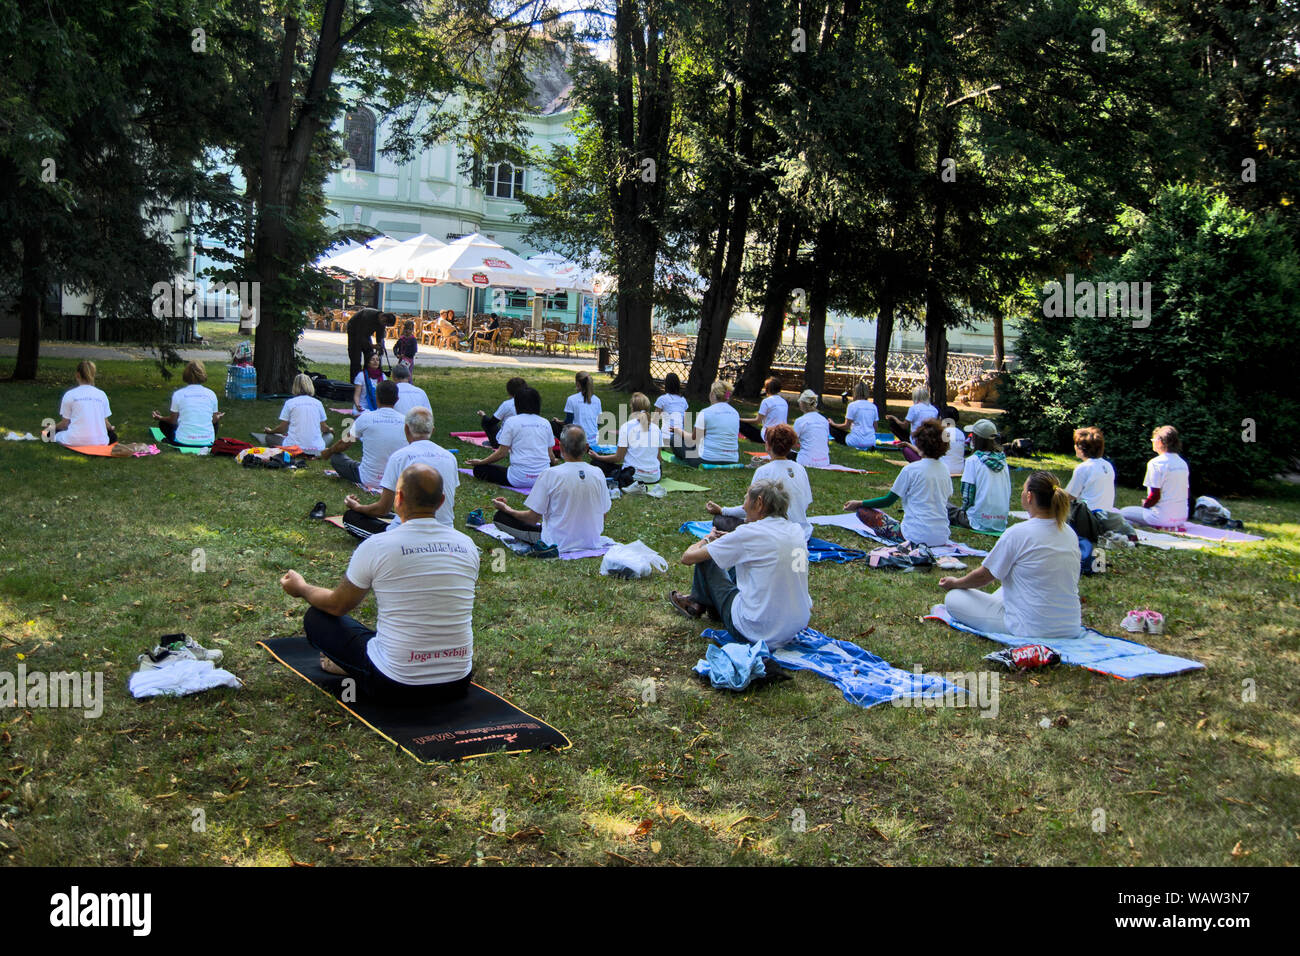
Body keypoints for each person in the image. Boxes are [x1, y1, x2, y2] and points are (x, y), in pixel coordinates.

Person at [280, 463, 479, 702]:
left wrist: (301, 588)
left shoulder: (378, 546)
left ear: (399, 498)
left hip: (394, 684)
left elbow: (337, 606)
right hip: (457, 683)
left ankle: (351, 666)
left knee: (318, 618)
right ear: (441, 501)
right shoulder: (467, 545)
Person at [669, 478, 812, 649]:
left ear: (759, 503)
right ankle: (709, 604)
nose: (743, 507)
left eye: (745, 499)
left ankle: (696, 602)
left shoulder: (749, 533)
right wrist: (729, 541)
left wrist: (707, 540)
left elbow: (688, 557)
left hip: (755, 630)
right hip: (793, 626)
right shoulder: (796, 530)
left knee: (709, 557)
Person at [939, 471, 1081, 639]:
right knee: (1005, 587)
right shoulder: (1069, 533)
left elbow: (984, 576)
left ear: (1029, 496)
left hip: (1030, 628)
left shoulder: (1018, 533)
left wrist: (956, 583)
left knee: (954, 598)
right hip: (1070, 627)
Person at [491, 425, 610, 554]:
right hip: (591, 540)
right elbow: (603, 514)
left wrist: (506, 509)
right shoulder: (598, 473)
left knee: (500, 517)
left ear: (562, 448)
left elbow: (531, 518)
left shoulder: (550, 474)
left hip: (557, 541)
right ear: (586, 448)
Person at [344, 407, 459, 528]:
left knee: (351, 517)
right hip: (444, 529)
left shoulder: (399, 457)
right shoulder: (450, 457)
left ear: (406, 429)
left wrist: (357, 507)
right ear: (432, 430)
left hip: (406, 532)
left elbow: (383, 509)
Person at [843, 419, 951, 547]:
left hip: (914, 536)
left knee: (863, 512)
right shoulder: (944, 469)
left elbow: (888, 500)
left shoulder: (911, 469)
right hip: (941, 536)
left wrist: (859, 503)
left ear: (919, 444)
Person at [705, 424, 812, 540]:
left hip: (774, 533)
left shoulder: (763, 471)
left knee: (720, 520)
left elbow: (750, 508)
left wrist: (722, 510)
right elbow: (806, 502)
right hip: (801, 531)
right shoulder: (800, 469)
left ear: (768, 445)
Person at [466, 386, 555, 489]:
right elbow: (550, 455)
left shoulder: (512, 422)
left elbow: (501, 453)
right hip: (542, 480)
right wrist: (554, 463)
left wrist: (481, 462)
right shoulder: (545, 423)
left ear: (517, 404)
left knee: (479, 469)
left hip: (517, 479)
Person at [325, 380, 407, 489]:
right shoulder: (407, 421)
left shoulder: (365, 418)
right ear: (397, 400)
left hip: (368, 478)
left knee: (336, 457)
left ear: (376, 397)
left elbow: (344, 444)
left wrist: (329, 451)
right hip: (396, 480)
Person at [1120, 425, 1190, 528]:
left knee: (1123, 512)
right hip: (1181, 517)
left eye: (1153, 440)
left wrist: (1145, 505)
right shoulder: (1182, 463)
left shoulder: (1156, 463)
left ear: (1160, 442)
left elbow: (1155, 496)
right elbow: (1186, 493)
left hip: (1161, 517)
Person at [948, 419, 1010, 533]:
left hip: (978, 521)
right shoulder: (1003, 461)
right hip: (1000, 522)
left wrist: (964, 511)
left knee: (942, 505)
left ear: (975, 439)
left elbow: (968, 494)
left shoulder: (973, 460)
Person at [589, 392, 662, 488]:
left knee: (596, 463)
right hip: (654, 476)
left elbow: (618, 458)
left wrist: (598, 457)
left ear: (632, 408)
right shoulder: (656, 428)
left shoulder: (627, 427)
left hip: (633, 475)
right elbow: (659, 458)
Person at [151, 360, 223, 446]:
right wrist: (218, 417)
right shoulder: (211, 394)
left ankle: (172, 440)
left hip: (183, 440)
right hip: (207, 441)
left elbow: (173, 421)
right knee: (216, 422)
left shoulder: (178, 394)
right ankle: (205, 439)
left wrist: (160, 418)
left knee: (163, 423)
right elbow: (214, 420)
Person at [670, 380, 739, 466]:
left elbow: (693, 439)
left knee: (675, 438)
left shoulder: (706, 412)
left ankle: (682, 460)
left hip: (706, 459)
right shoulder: (735, 413)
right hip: (732, 459)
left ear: (712, 394)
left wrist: (678, 431)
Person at [51, 360, 115, 446]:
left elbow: (64, 424)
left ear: (77, 375)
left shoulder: (70, 394)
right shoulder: (101, 394)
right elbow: (105, 423)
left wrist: (52, 428)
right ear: (93, 375)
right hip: (100, 441)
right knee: (112, 436)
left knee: (49, 433)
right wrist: (111, 428)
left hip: (74, 440)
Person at [265, 373, 331, 455]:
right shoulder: (318, 403)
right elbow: (324, 428)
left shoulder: (290, 403)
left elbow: (282, 428)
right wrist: (330, 430)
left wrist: (271, 431)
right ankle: (314, 448)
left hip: (292, 448)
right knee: (329, 436)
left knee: (269, 437)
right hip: (316, 449)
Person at [1066, 426, 1116, 511]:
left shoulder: (1084, 468)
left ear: (1080, 447)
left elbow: (1070, 496)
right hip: (1106, 514)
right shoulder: (1107, 465)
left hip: (1087, 516)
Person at [552, 370, 603, 444]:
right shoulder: (597, 400)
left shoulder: (572, 399)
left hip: (577, 440)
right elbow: (599, 422)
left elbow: (568, 422)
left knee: (552, 424)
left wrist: (558, 421)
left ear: (578, 383)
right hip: (594, 440)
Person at [346, 306, 395, 380]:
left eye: (386, 325)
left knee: (370, 356)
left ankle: (368, 378)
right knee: (355, 358)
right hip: (354, 332)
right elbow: (360, 336)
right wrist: (372, 346)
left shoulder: (382, 322)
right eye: (385, 323)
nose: (384, 325)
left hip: (365, 334)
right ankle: (355, 381)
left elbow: (380, 337)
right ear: (382, 317)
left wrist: (380, 346)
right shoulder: (367, 316)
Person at [477, 376, 526, 448]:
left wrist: (484, 415)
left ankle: (494, 443)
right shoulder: (531, 403)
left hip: (505, 442)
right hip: (525, 439)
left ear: (509, 391)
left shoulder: (507, 404)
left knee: (486, 422)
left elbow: (492, 422)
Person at [830, 380, 879, 449]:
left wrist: (833, 424)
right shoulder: (873, 407)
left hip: (855, 441)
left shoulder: (852, 406)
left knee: (831, 428)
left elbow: (846, 426)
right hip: (870, 441)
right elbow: (875, 428)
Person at [739, 377, 788, 444]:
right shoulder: (784, 401)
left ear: (766, 389)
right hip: (782, 434)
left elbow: (757, 421)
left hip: (769, 435)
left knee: (740, 424)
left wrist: (740, 419)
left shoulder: (766, 401)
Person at [792, 389, 831, 468]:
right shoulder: (824, 420)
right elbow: (826, 441)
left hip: (806, 460)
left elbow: (792, 443)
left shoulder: (800, 421)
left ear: (802, 404)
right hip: (824, 461)